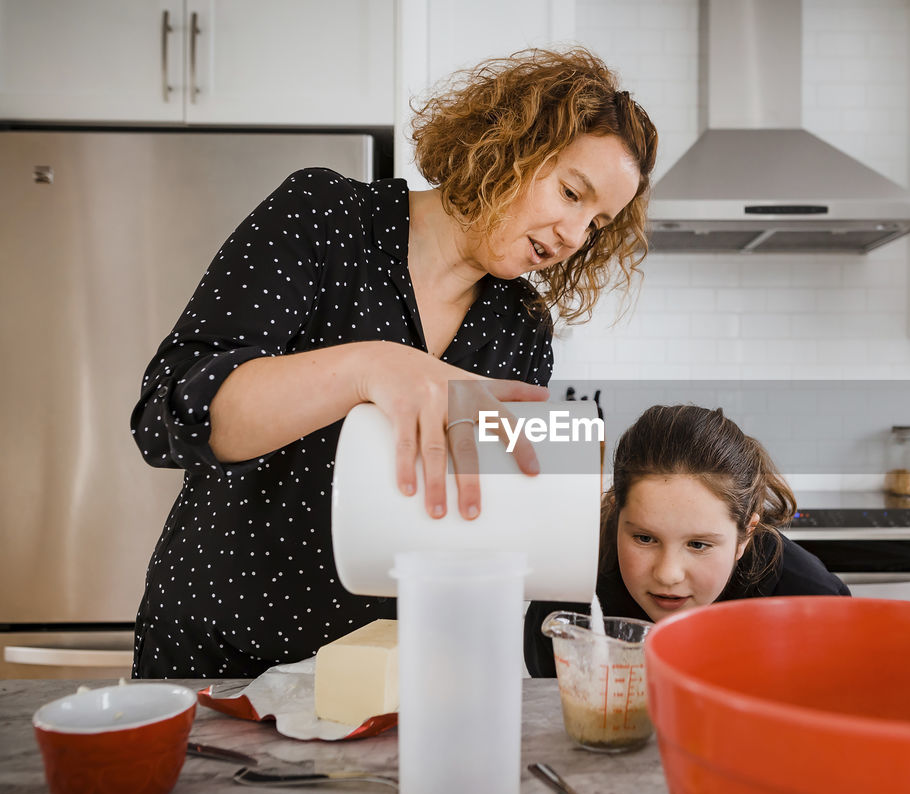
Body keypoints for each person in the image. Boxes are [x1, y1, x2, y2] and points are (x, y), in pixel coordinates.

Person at [130, 48, 658, 678]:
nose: (575, 235)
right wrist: (371, 367)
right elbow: (170, 416)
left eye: (598, 223)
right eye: (572, 192)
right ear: (506, 145)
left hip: (382, 677)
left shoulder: (520, 331)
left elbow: (476, 523)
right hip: (217, 653)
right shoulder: (325, 217)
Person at [524, 405, 851, 678]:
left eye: (698, 545)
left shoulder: (812, 603)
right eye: (644, 538)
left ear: (744, 535)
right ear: (618, 515)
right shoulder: (567, 600)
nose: (668, 574)